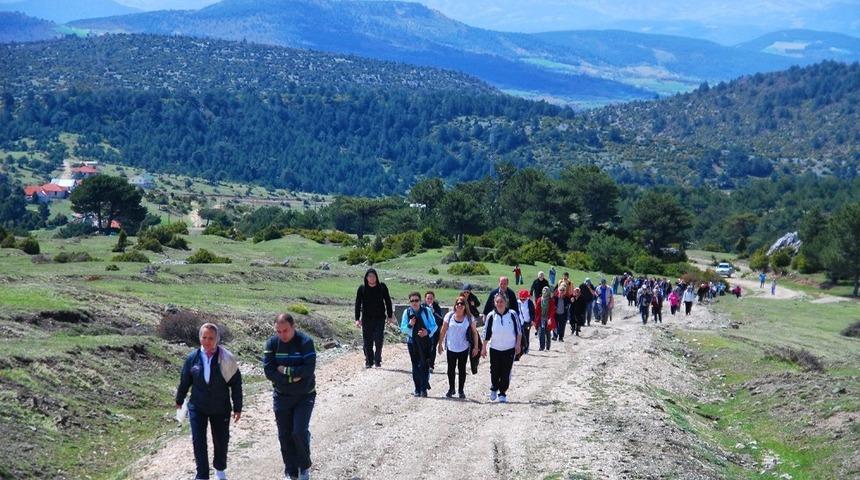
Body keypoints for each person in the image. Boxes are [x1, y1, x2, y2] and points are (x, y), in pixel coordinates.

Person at [175, 323, 242, 480]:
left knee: (221, 439)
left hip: (221, 407)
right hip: (198, 406)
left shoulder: (226, 359)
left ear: (217, 339)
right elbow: (185, 380)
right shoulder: (192, 358)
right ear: (200, 338)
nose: (207, 341)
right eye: (204, 337)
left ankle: (219, 469)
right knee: (198, 440)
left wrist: (238, 407)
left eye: (211, 338)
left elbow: (236, 384)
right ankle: (202, 475)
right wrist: (179, 399)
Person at [263, 313, 316, 480]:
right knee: (284, 435)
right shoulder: (272, 344)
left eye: (285, 330)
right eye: (278, 331)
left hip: (304, 395)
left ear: (293, 327)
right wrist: (292, 377)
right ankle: (290, 471)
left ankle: (304, 467)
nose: (282, 335)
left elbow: (308, 369)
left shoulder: (305, 342)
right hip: (281, 396)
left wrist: (285, 371)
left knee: (299, 432)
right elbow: (269, 371)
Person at [437, 295, 480, 399]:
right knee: (450, 369)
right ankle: (451, 388)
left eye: (462, 304)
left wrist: (476, 347)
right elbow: (443, 330)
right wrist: (440, 344)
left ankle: (461, 390)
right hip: (451, 347)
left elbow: (474, 333)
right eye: (458, 304)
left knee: (462, 369)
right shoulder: (449, 316)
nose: (459, 305)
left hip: (463, 348)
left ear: (465, 306)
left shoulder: (469, 318)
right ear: (455, 306)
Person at [482, 294, 522, 403]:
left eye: (501, 302)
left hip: (509, 348)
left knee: (506, 371)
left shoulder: (512, 314)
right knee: (494, 370)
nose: (499, 304)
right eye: (497, 302)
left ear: (505, 302)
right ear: (494, 303)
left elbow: (519, 332)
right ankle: (494, 388)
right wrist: (483, 347)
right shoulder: (491, 315)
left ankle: (502, 393)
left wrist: (518, 344)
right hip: (495, 348)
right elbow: (486, 333)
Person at [354, 268, 393, 368]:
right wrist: (357, 319)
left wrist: (389, 316)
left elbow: (388, 301)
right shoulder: (362, 288)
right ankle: (369, 361)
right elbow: (358, 304)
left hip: (380, 318)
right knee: (367, 341)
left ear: (376, 277)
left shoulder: (382, 287)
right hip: (366, 318)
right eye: (369, 276)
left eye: (373, 276)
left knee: (379, 339)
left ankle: (377, 360)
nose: (372, 278)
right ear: (366, 278)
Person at [400, 292, 437, 397]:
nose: (414, 303)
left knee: (424, 365)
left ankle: (424, 389)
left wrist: (427, 332)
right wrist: (410, 325)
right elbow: (403, 329)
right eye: (412, 301)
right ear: (409, 302)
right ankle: (417, 388)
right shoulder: (406, 313)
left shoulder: (427, 311)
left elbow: (434, 326)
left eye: (416, 300)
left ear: (420, 301)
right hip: (412, 343)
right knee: (415, 365)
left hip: (425, 342)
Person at [462, 284, 483, 374]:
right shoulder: (460, 298)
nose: (466, 293)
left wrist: (473, 304)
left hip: (472, 319)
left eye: (468, 292)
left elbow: (478, 304)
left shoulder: (473, 297)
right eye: (465, 292)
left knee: (478, 344)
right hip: (463, 320)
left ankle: (474, 364)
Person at [424, 291, 444, 373]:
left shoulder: (437, 307)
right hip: (425, 331)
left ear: (433, 299)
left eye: (431, 299)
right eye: (428, 298)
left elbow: (441, 320)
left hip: (435, 332)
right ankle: (424, 364)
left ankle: (431, 365)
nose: (429, 300)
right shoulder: (422, 307)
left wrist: (434, 312)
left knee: (432, 348)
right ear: (425, 299)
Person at [516, 289, 534, 355]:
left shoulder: (529, 302)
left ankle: (526, 348)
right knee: (519, 336)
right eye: (521, 299)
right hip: (519, 322)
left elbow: (532, 312)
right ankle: (520, 348)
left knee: (526, 335)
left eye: (524, 299)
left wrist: (532, 320)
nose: (522, 300)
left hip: (527, 322)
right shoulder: (517, 303)